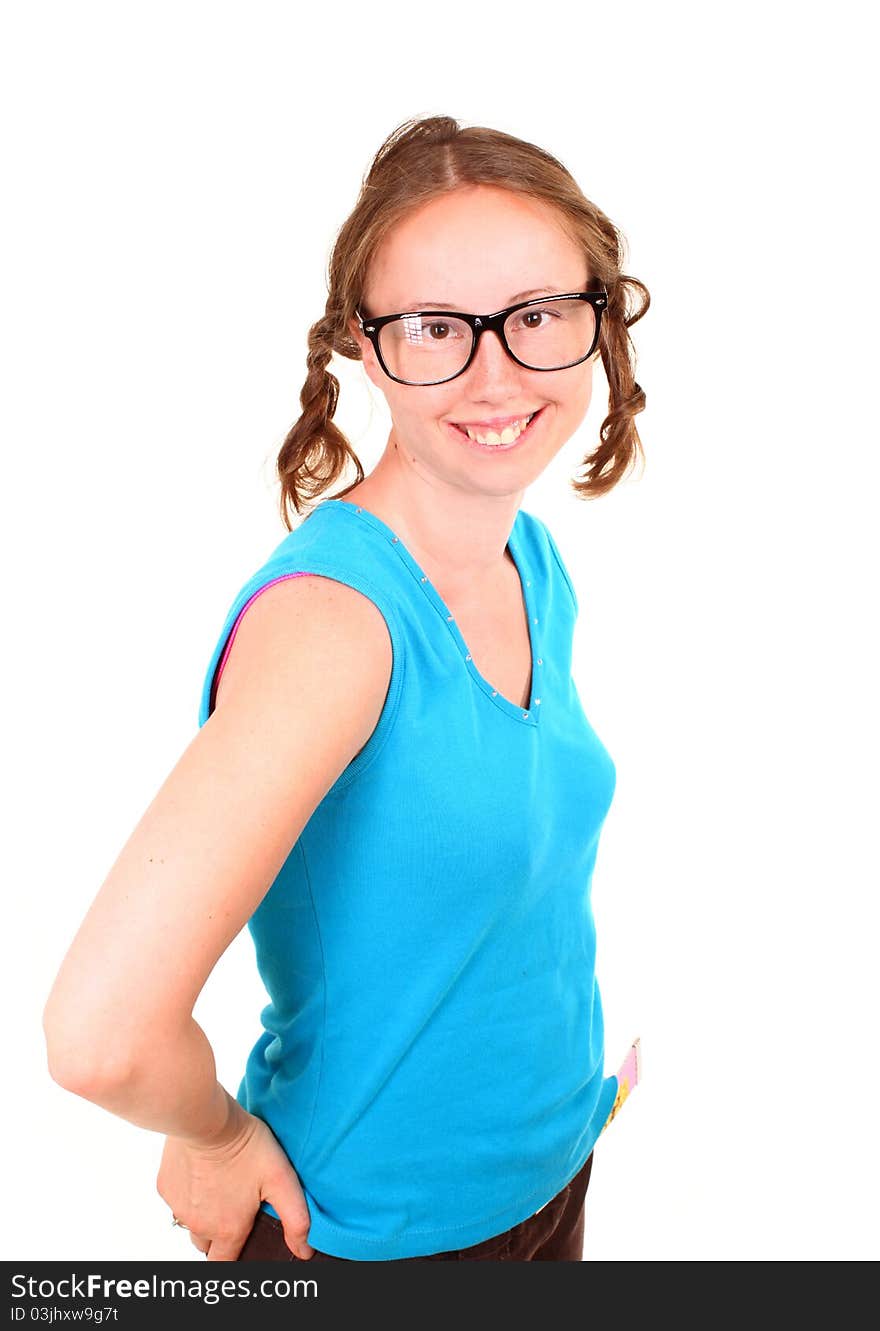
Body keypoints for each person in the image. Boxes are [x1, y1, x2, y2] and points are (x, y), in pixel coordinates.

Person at [42, 114, 649, 1263]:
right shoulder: (335, 629)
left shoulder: (529, 559)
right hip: (370, 1234)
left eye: (535, 316)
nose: (496, 372)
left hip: (548, 1173)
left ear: (597, 323)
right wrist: (213, 1136)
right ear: (363, 348)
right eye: (433, 327)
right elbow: (101, 1033)